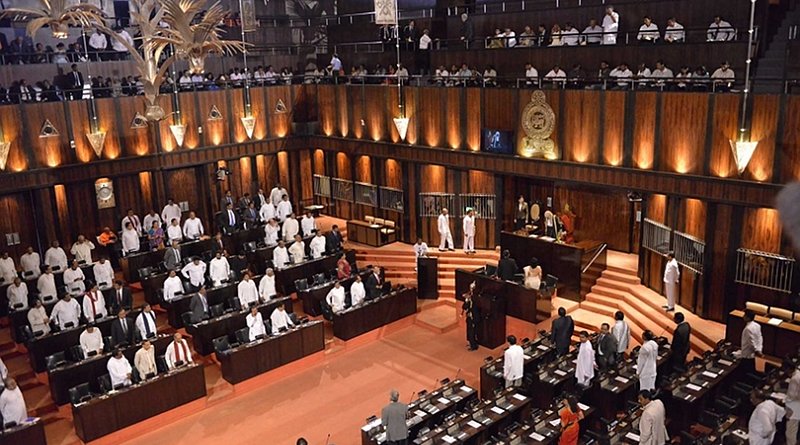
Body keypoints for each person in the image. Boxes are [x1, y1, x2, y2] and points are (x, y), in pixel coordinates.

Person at [737, 309, 763, 375]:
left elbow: (751, 343)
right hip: (752, 355)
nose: (743, 316)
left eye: (744, 315)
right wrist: (759, 349)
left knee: (745, 373)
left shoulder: (748, 329)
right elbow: (760, 338)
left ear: (748, 318)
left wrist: (756, 351)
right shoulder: (757, 325)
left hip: (747, 354)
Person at [785, 364, 800, 445]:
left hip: (794, 408)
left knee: (790, 432)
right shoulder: (798, 373)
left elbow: (791, 397)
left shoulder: (794, 379)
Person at [462, 282, 478, 351]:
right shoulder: (470, 296)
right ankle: (470, 343)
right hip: (469, 317)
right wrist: (466, 300)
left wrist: (467, 300)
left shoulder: (474, 298)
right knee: (469, 331)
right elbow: (464, 307)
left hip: (473, 318)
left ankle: (473, 346)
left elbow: (467, 306)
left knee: (472, 332)